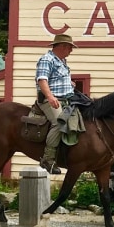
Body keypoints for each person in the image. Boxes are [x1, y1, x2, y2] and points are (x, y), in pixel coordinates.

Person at [35, 33, 78, 174]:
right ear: (62, 46)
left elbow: (56, 78)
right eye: (70, 47)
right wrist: (50, 96)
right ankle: (48, 159)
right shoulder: (47, 59)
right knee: (60, 122)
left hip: (65, 99)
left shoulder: (62, 61)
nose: (71, 51)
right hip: (50, 100)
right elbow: (42, 80)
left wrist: (69, 83)